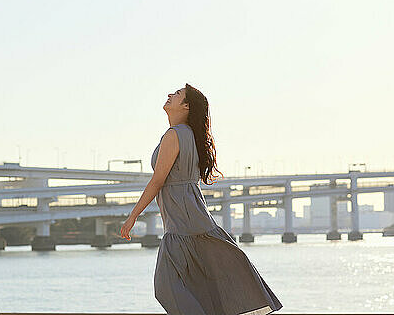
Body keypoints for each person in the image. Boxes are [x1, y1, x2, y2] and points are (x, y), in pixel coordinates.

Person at [120, 83, 283, 315]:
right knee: (197, 284)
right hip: (190, 216)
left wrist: (132, 217)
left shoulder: (174, 135)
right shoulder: (189, 135)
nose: (169, 95)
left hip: (182, 221)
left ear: (186, 106)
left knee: (166, 287)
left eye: (176, 95)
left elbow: (157, 181)